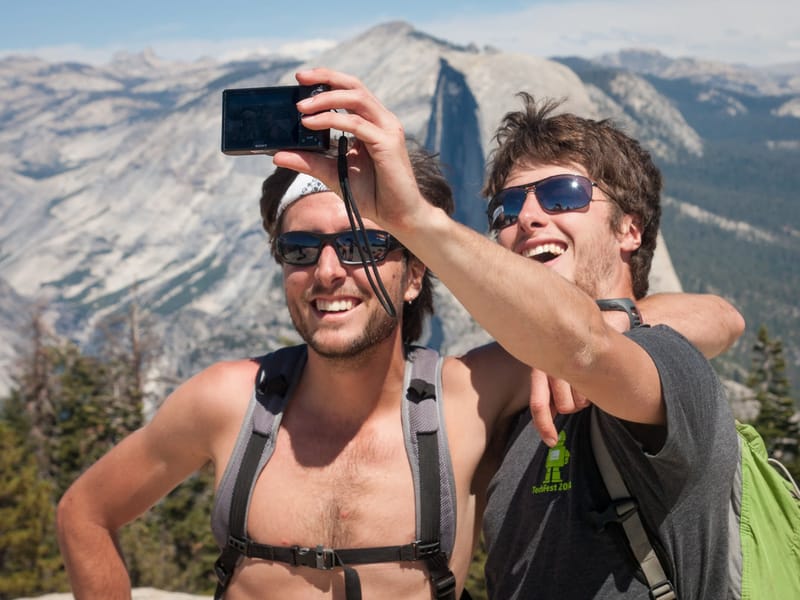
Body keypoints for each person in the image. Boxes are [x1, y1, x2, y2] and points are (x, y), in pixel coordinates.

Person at [57, 81, 742, 600]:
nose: (328, 271)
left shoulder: (473, 393)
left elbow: (714, 318)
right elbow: (84, 511)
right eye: (300, 250)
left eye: (359, 244)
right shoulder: (229, 402)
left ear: (416, 275)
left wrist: (617, 321)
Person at [272, 68, 746, 600]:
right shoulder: (503, 384)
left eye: (563, 195)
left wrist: (412, 222)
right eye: (508, 208)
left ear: (629, 230)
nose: (530, 219)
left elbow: (623, 340)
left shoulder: (664, 361)